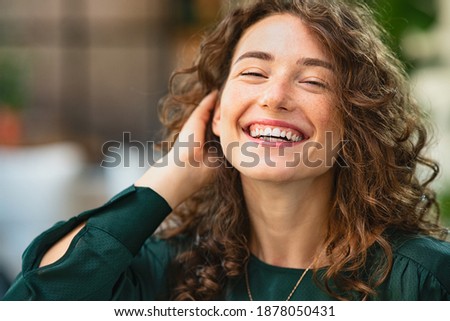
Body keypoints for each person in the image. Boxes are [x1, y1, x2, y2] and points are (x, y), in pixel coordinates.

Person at [3, 0, 450, 301]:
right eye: (253, 73)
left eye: (313, 80)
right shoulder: (166, 269)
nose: (275, 97)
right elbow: (32, 299)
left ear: (356, 122)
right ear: (215, 113)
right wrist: (169, 178)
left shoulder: (421, 278)